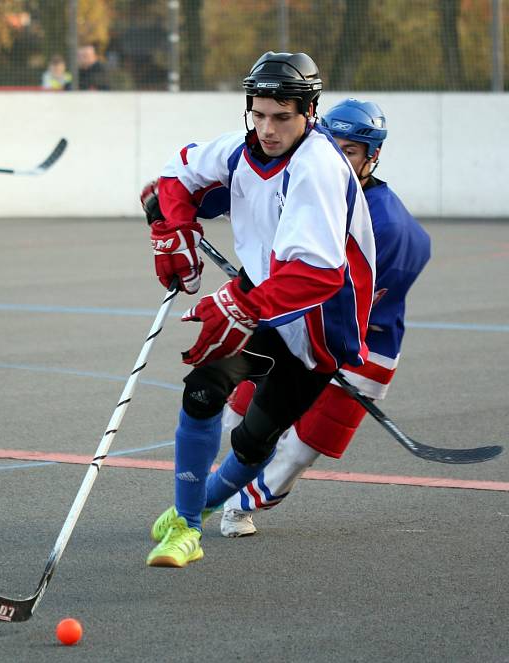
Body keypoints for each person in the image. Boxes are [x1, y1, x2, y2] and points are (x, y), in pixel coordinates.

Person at [142, 51, 377, 568]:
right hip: (265, 293)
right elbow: (178, 173)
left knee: (254, 440)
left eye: (282, 117)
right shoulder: (240, 149)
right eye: (259, 113)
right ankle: (185, 528)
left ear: (309, 113)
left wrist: (239, 305)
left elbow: (317, 274)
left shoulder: (316, 167)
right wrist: (171, 228)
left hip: (319, 324)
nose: (267, 129)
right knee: (203, 391)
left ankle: (199, 505)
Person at [215, 98, 431, 537]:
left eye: (350, 151)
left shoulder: (390, 226)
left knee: (301, 447)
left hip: (364, 341)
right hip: (292, 324)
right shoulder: (306, 178)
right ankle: (219, 490)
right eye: (333, 147)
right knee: (237, 413)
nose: (337, 159)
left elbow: (354, 300)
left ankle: (237, 508)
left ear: (373, 155)